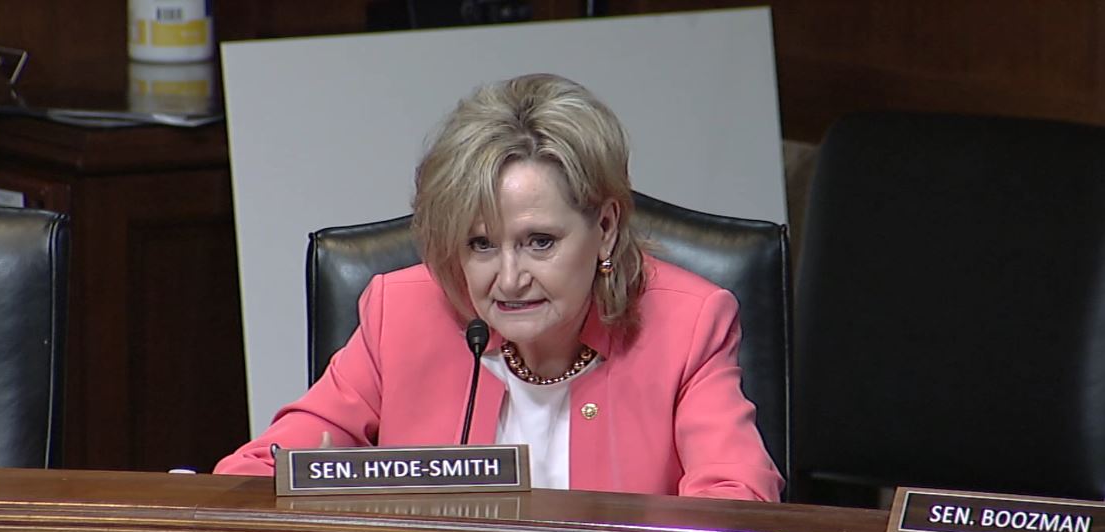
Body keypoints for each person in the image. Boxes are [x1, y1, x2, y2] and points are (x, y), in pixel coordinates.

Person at [215, 73, 783, 501]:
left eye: (540, 242)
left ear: (606, 227)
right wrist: (317, 489)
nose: (509, 279)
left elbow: (738, 503)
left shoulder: (688, 326)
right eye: (481, 244)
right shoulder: (402, 314)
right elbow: (251, 474)